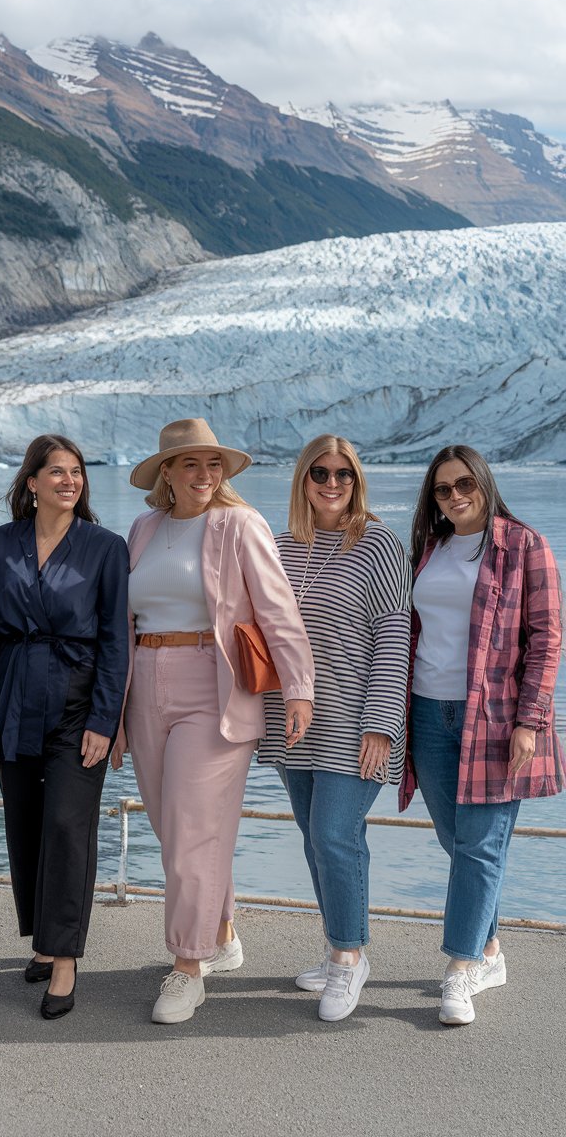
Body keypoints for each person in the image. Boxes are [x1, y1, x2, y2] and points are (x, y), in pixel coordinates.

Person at [111, 418, 315, 1025]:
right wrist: (115, 710)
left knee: (193, 828)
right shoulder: (142, 528)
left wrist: (299, 686)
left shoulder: (239, 524)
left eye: (213, 465)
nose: (204, 476)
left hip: (214, 684)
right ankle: (221, 932)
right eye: (190, 465)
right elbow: (123, 621)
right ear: (166, 474)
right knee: (174, 830)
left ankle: (188, 966)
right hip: (144, 682)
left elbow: (278, 609)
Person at [403, 444, 564, 1026]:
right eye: (443, 489)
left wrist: (531, 721)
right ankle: (491, 950)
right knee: (457, 842)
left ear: (485, 483)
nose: (456, 497)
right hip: (428, 713)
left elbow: (547, 641)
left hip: (495, 720)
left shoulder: (526, 546)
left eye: (465, 483)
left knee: (479, 847)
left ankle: (459, 969)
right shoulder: (429, 548)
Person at [258, 434, 411, 1023]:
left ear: (357, 480)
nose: (331, 483)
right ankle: (335, 946)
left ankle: (350, 958)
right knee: (313, 838)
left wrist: (380, 725)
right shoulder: (281, 545)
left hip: (356, 722)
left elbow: (394, 639)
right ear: (303, 478)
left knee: (334, 835)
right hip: (294, 723)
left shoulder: (378, 544)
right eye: (320, 472)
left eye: (343, 474)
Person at [0, 434, 129, 1021]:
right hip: (14, 699)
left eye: (77, 472)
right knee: (25, 825)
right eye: (57, 472)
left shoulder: (105, 547)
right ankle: (43, 941)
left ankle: (64, 959)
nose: (70, 480)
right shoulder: (1, 542)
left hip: (77, 705)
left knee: (69, 827)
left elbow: (118, 641)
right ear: (31, 483)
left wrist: (105, 718)